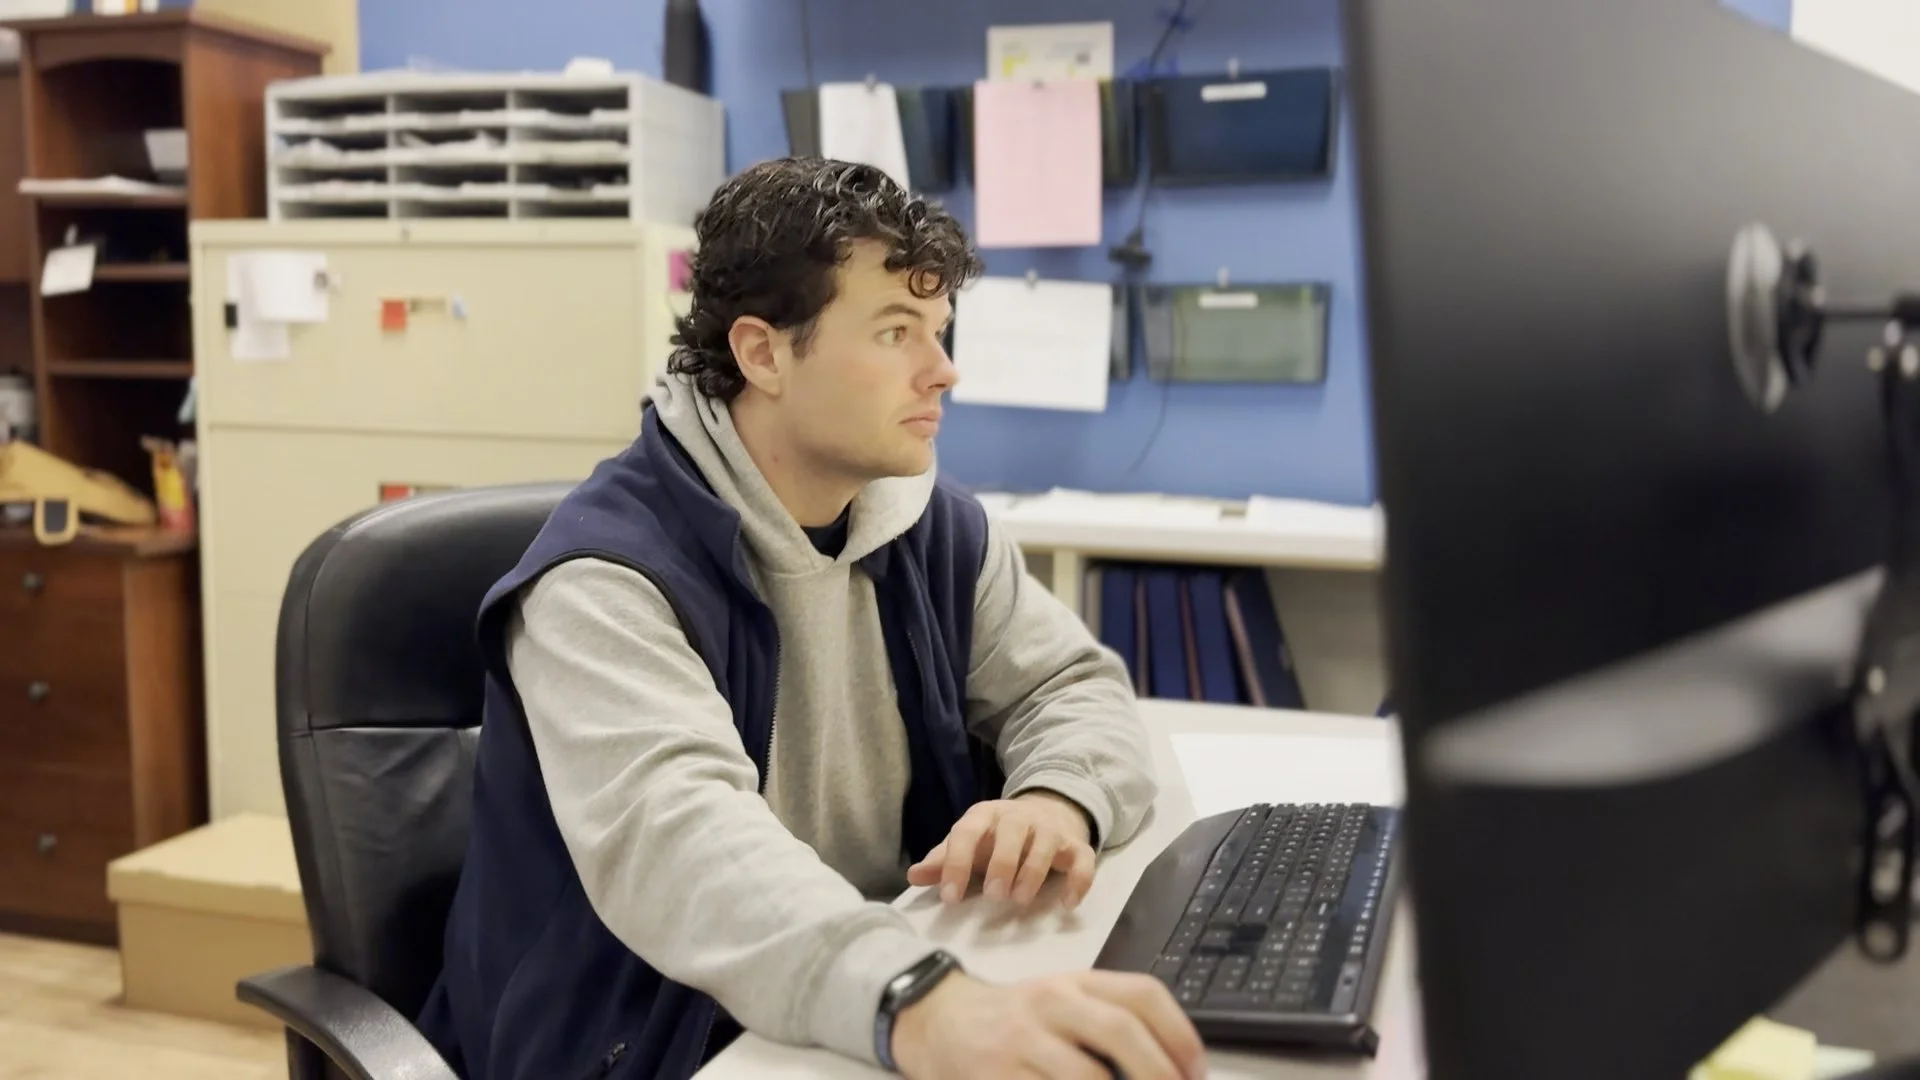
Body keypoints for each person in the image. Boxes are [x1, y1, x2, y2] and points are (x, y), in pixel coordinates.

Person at [417, 157, 1207, 1080]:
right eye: (895, 331)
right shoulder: (604, 580)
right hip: (647, 1039)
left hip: (851, 997)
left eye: (940, 331)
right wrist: (921, 1001)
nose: (942, 371)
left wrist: (1056, 796)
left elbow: (1071, 686)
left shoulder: (932, 529)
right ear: (763, 353)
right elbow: (684, 847)